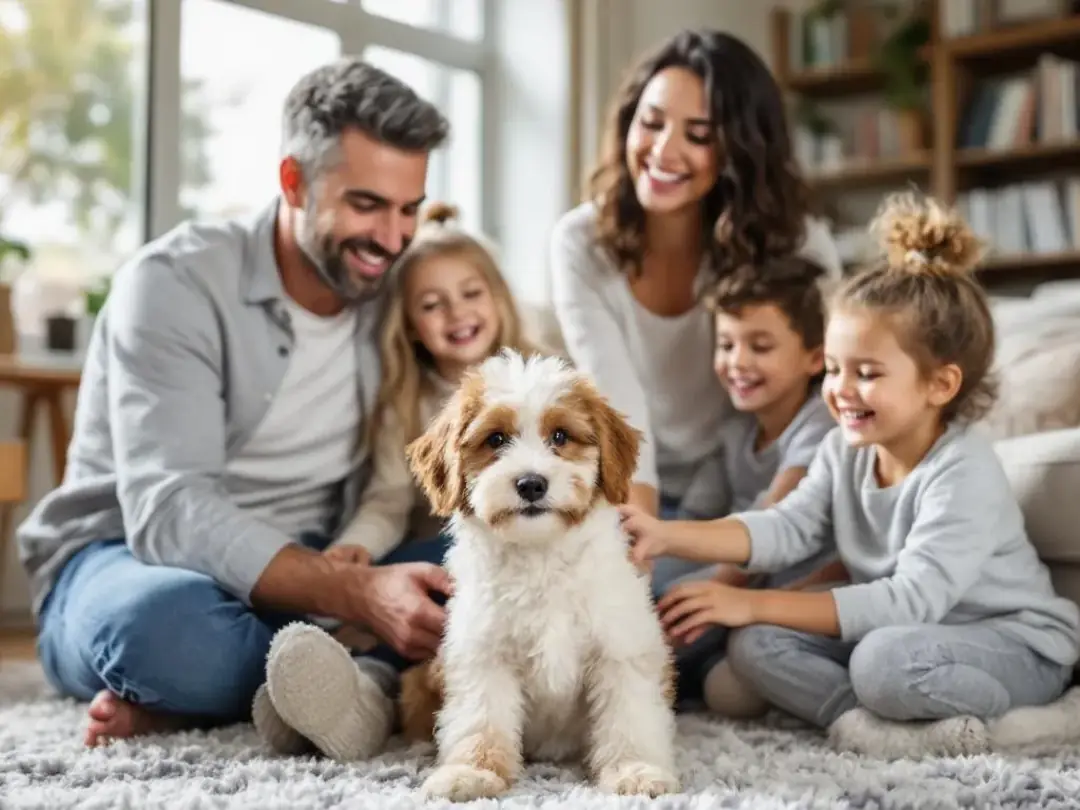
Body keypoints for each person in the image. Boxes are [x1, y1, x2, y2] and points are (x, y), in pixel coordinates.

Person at [16, 57, 455, 754]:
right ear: (293, 181)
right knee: (161, 632)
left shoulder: (393, 286)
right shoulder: (173, 283)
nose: (393, 239)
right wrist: (359, 596)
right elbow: (168, 509)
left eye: (410, 209)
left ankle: (240, 693)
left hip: (326, 552)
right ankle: (343, 669)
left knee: (497, 568)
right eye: (367, 205)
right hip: (138, 559)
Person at [621, 191, 1080, 759]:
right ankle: (873, 726)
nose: (838, 390)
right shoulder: (845, 449)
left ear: (939, 384)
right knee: (754, 646)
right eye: (835, 369)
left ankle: (1038, 720)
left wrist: (749, 600)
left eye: (866, 373)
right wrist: (666, 534)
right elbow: (783, 527)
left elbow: (911, 600)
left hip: (1014, 644)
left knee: (881, 661)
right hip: (905, 633)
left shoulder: (963, 470)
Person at [259, 201, 548, 760]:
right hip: (435, 561)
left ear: (498, 297)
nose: (455, 313)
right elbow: (388, 499)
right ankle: (346, 686)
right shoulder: (407, 399)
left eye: (470, 293)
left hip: (527, 553)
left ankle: (361, 682)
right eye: (432, 305)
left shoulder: (538, 374)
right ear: (412, 326)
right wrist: (356, 548)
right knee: (406, 582)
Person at [549, 28, 843, 536]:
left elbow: (828, 398)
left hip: (765, 489)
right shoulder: (580, 242)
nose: (664, 151)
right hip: (632, 482)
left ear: (740, 151)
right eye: (652, 123)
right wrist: (639, 537)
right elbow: (618, 406)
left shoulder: (797, 243)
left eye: (699, 135)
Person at [650, 255, 847, 714]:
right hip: (736, 568)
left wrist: (709, 597)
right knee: (644, 575)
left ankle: (646, 676)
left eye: (759, 346)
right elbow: (694, 519)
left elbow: (767, 534)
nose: (737, 362)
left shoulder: (818, 424)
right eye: (726, 345)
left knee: (674, 599)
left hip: (785, 581)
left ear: (814, 357)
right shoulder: (736, 429)